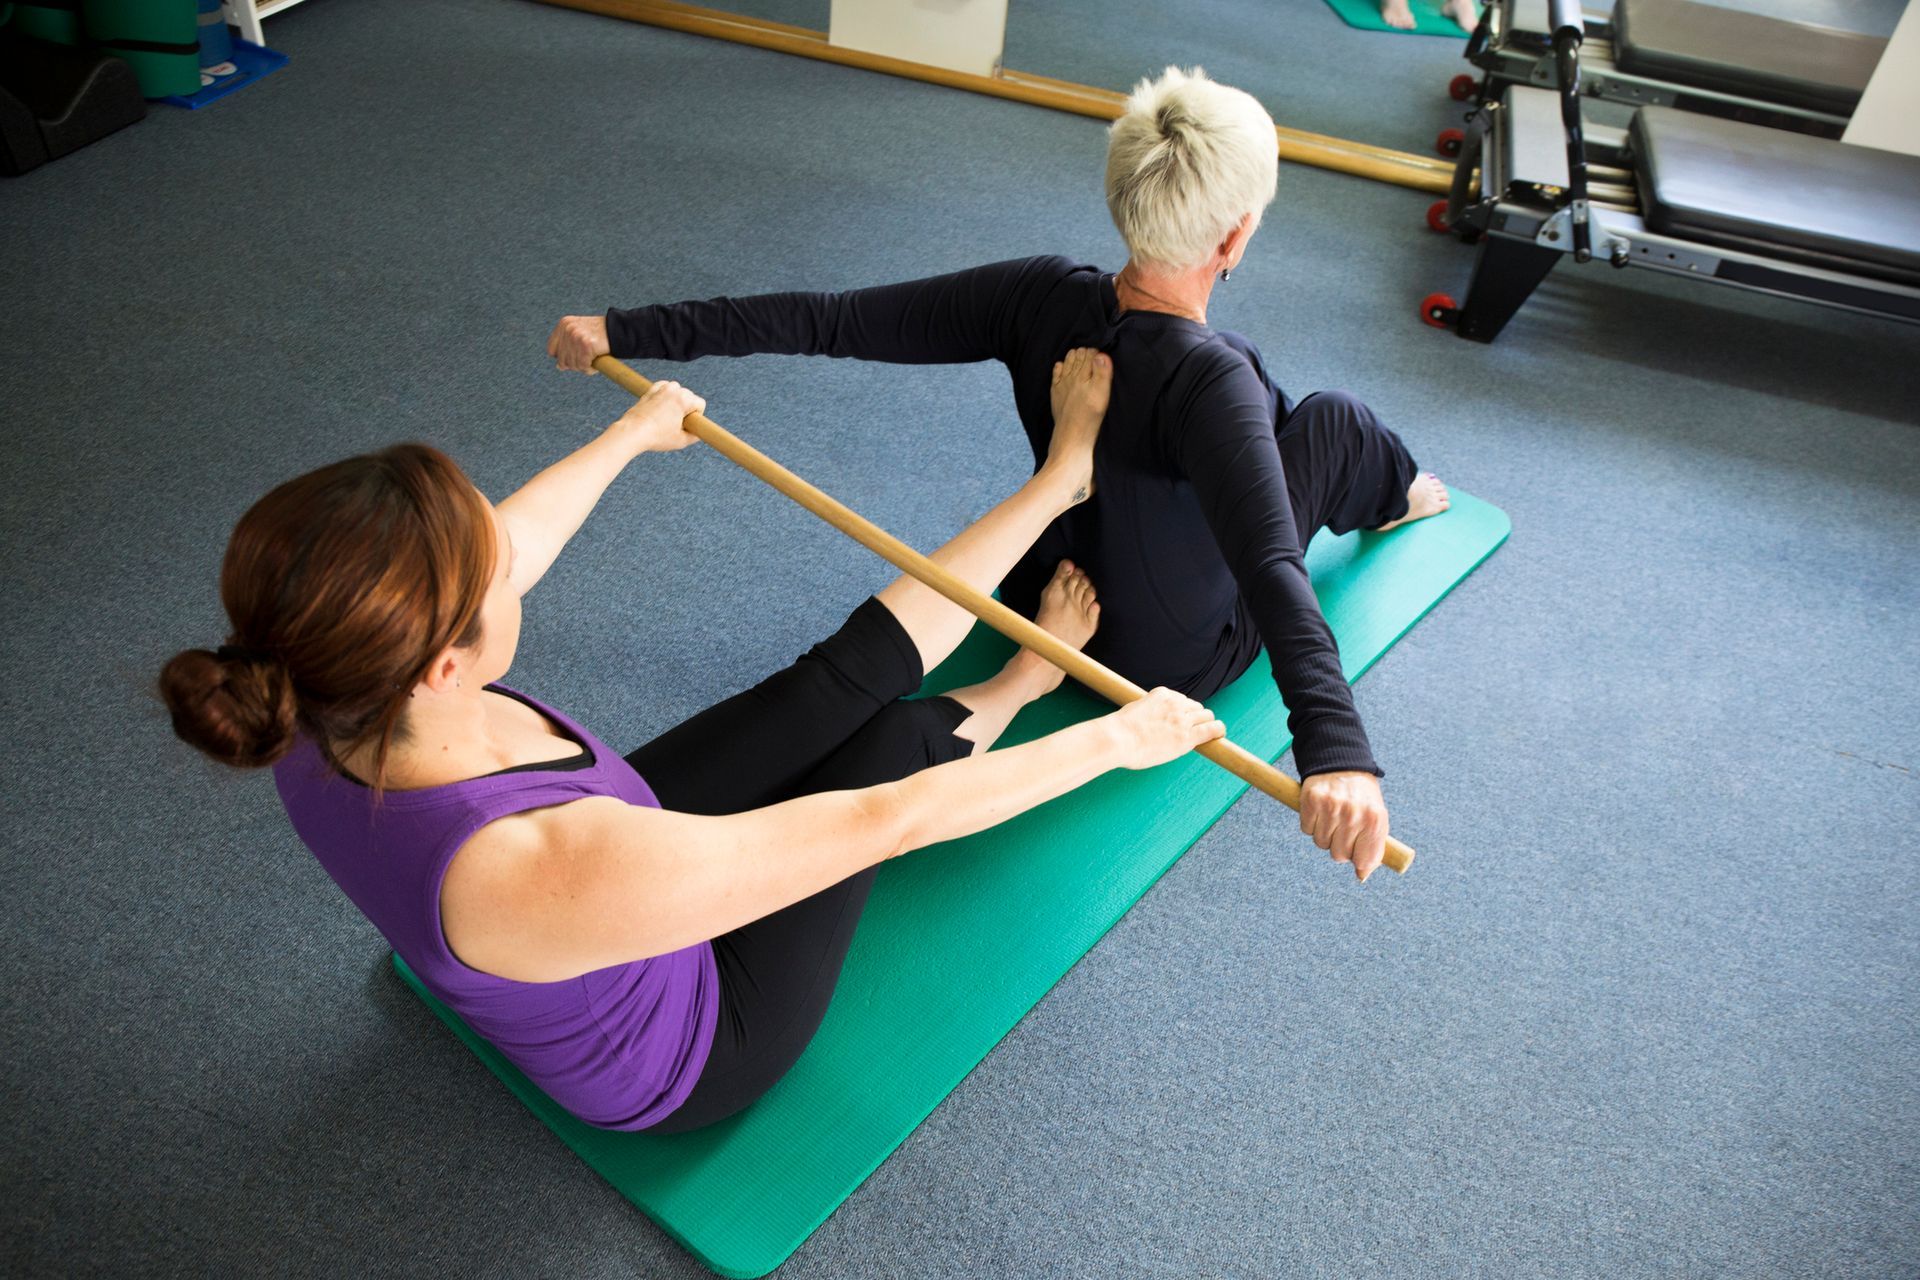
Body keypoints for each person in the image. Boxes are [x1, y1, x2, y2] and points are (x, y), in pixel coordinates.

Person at [158, 353, 1226, 1134]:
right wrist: (1121, 736)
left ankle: (1055, 487)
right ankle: (1016, 680)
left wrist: (630, 435)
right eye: (495, 570)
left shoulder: (312, 676)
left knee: (831, 682)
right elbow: (886, 824)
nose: (515, 554)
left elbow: (511, 547)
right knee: (891, 748)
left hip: (594, 866)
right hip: (700, 1031)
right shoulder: (531, 867)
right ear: (444, 662)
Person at [547, 67, 1450, 882]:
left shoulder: (1041, 295)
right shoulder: (1212, 381)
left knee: (1259, 413)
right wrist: (1338, 751)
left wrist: (631, 330)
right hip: (1164, 661)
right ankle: (1402, 493)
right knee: (1331, 423)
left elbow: (832, 319)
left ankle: (1330, 471)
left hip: (1044, 590)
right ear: (1236, 236)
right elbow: (1273, 574)